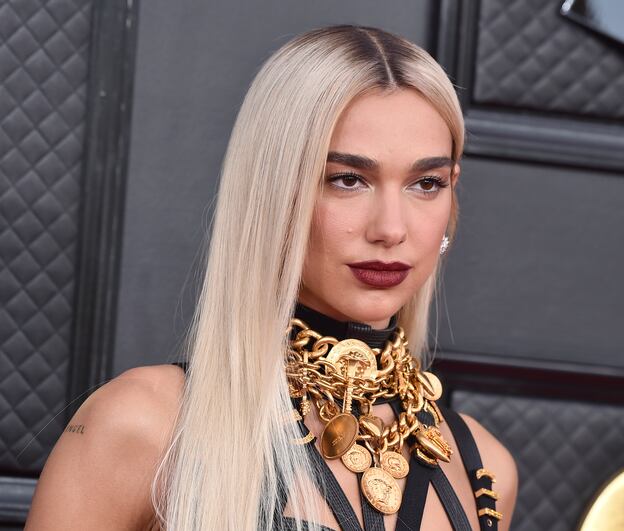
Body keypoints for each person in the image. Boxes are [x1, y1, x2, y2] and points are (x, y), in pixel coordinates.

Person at [25, 24, 518, 530]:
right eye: (347, 179)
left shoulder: (484, 468)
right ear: (274, 191)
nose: (391, 229)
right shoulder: (144, 425)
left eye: (426, 183)